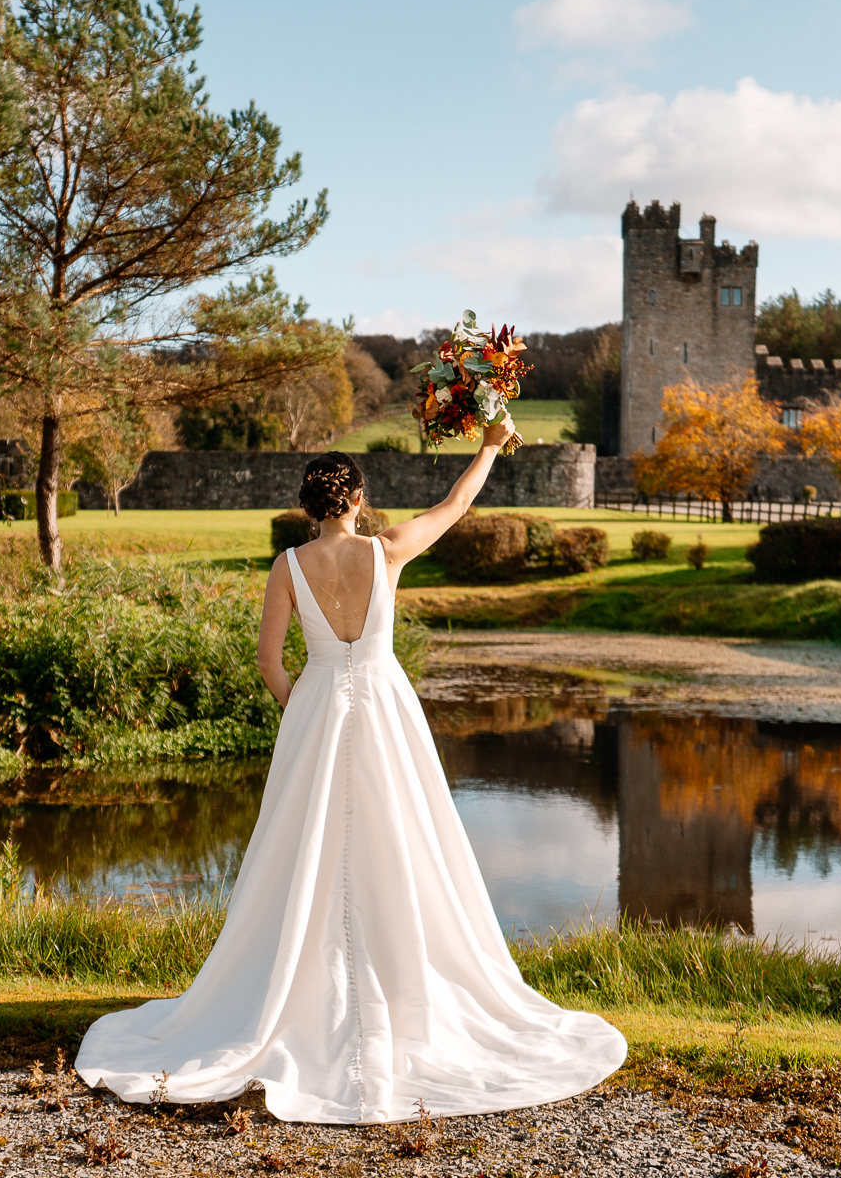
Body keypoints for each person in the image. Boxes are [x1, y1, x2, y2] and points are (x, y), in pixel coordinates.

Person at [76, 419, 625, 1123]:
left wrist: (300, 709)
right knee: (400, 843)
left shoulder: (288, 566)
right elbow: (456, 507)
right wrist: (491, 444)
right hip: (383, 707)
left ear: (308, 506)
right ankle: (403, 991)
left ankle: (291, 994)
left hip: (317, 714)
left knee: (300, 855)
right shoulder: (387, 551)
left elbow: (269, 662)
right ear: (358, 500)